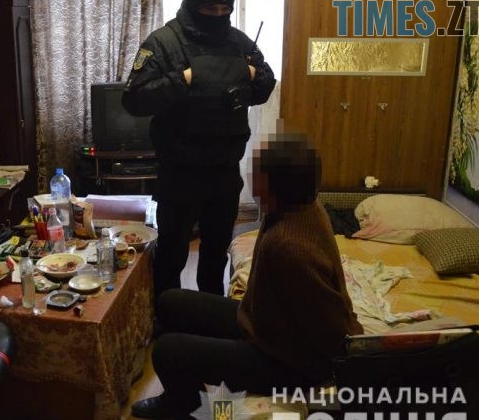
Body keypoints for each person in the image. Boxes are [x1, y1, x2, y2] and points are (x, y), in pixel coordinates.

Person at [130, 133, 364, 419]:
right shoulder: (301, 206)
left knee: (167, 350)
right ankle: (191, 386)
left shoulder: (289, 247)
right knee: (169, 302)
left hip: (287, 362)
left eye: (257, 174)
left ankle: (184, 406)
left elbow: (332, 331)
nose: (251, 180)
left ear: (274, 186)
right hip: (266, 324)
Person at [122, 0, 276, 298]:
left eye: (224, 9)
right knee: (171, 255)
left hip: (224, 170)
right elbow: (134, 99)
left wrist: (249, 74)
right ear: (194, 5)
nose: (218, 15)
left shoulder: (239, 43)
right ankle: (166, 317)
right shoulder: (164, 42)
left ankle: (210, 314)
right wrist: (185, 79)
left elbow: (264, 86)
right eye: (210, 9)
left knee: (216, 256)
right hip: (180, 172)